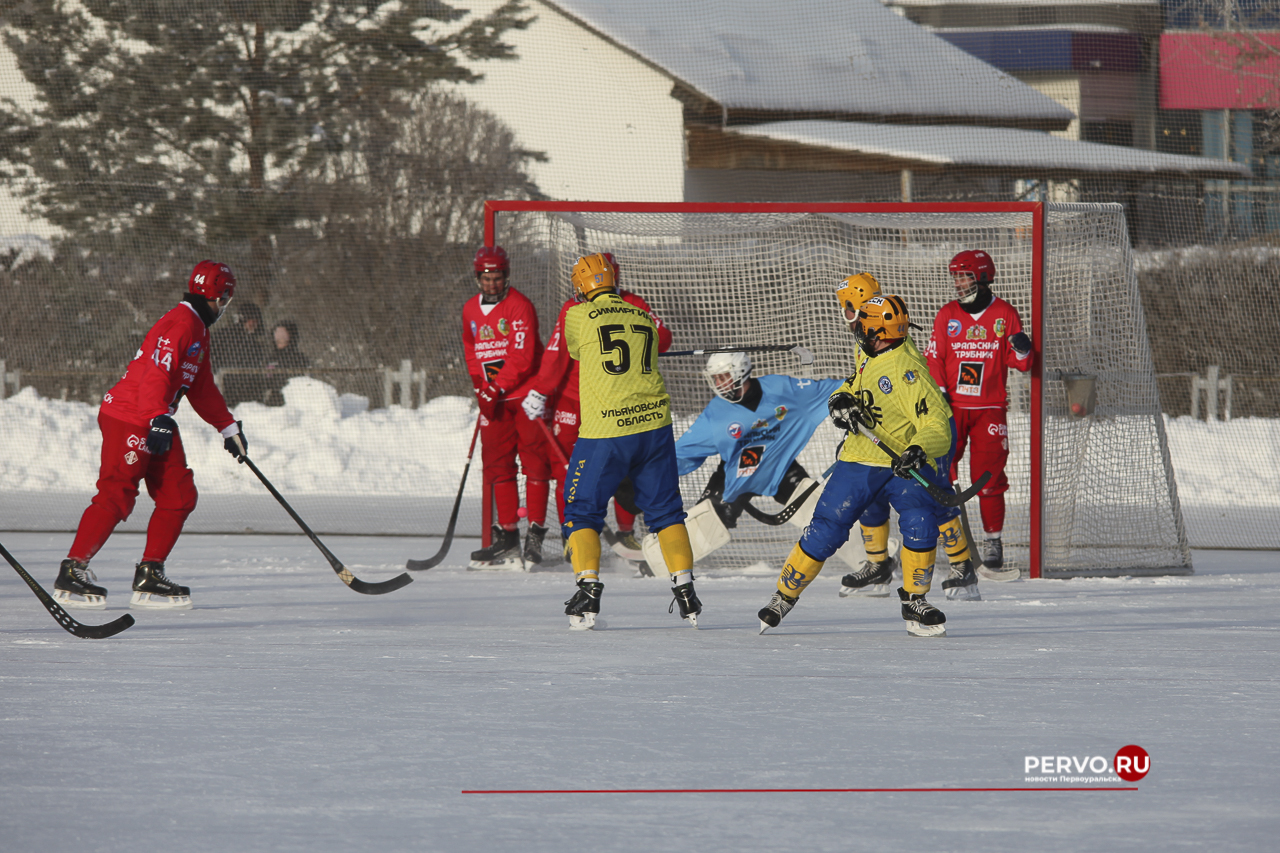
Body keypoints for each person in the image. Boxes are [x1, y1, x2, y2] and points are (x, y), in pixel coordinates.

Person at [52, 260, 250, 611]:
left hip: (155, 419)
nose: (224, 307)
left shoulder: (198, 330)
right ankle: (72, 570)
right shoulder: (181, 323)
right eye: (225, 299)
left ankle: (150, 574)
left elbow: (200, 387)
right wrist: (158, 416)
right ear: (218, 295)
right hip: (131, 416)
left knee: (179, 493)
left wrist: (228, 427)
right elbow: (157, 371)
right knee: (118, 491)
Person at [757, 293, 953, 638]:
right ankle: (783, 596)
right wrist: (840, 398)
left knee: (920, 522)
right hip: (859, 460)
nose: (856, 327)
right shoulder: (871, 349)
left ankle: (915, 601)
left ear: (877, 331)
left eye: (863, 323)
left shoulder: (907, 371)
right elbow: (858, 380)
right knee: (826, 529)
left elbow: (937, 424)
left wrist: (919, 449)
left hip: (901, 464)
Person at [558, 252, 700, 630]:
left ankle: (588, 591)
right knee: (666, 512)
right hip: (654, 426)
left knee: (581, 511)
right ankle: (686, 590)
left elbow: (575, 350)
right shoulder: (641, 315)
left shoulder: (576, 315)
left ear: (582, 287)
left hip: (607, 431)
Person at [639, 350, 875, 574]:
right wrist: (644, 470)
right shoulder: (716, 413)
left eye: (724, 377)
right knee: (707, 520)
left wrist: (866, 387)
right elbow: (682, 454)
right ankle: (658, 562)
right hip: (736, 476)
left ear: (741, 371)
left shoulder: (783, 389)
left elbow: (835, 389)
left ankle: (876, 560)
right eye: (716, 379)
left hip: (779, 468)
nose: (719, 384)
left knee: (822, 515)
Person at [831, 272, 986, 601]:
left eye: (847, 310)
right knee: (870, 496)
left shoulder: (890, 343)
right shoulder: (867, 342)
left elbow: (917, 403)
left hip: (925, 433)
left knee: (933, 497)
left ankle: (962, 566)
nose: (846, 319)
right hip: (889, 433)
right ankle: (878, 566)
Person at [521, 251, 671, 568]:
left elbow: (664, 339)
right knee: (568, 471)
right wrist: (542, 390)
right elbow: (558, 353)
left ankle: (629, 532)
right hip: (574, 400)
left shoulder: (632, 303)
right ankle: (571, 538)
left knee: (628, 472)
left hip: (617, 403)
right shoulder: (574, 308)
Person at [924, 250, 1031, 577]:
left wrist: (1023, 348)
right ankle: (947, 537)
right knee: (940, 473)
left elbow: (1022, 364)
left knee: (989, 479)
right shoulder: (947, 314)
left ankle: (992, 541)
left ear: (982, 277)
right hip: (953, 409)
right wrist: (941, 393)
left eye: (964, 275)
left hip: (990, 410)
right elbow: (934, 358)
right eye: (955, 276)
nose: (958, 282)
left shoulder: (1004, 313)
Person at [461, 245, 551, 570]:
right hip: (494, 400)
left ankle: (536, 532)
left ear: (506, 276)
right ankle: (509, 536)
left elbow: (523, 356)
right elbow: (472, 352)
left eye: (497, 278)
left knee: (535, 462)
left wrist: (496, 388)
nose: (492, 285)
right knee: (497, 465)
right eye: (486, 278)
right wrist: (480, 390)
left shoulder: (520, 306)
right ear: (477, 277)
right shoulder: (470, 310)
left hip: (524, 397)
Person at [216, 301, 270, 406]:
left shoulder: (258, 343)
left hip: (251, 394)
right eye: (250, 321)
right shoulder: (223, 337)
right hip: (227, 390)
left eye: (256, 321)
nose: (253, 325)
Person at [264, 319, 310, 406]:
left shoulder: (299, 359)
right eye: (277, 335)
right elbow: (267, 378)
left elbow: (305, 380)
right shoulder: (270, 358)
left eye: (283, 335)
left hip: (295, 399)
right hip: (273, 400)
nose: (279, 338)